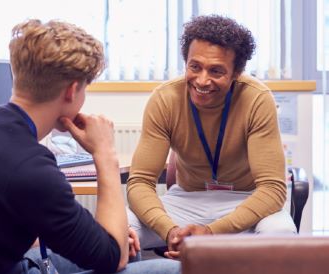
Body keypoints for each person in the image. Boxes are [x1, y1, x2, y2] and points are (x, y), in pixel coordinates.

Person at [0, 19, 180, 274]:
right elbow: (114, 258)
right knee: (177, 268)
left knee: (125, 246)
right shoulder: (30, 167)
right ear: (72, 90)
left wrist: (104, 237)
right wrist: (105, 153)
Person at [126, 14, 297, 259]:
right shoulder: (165, 99)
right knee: (120, 228)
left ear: (236, 72)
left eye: (216, 71)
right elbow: (140, 182)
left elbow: (272, 189)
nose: (202, 80)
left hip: (245, 201)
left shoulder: (257, 99)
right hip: (186, 201)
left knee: (281, 234)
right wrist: (170, 231)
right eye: (195, 66)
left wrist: (212, 232)